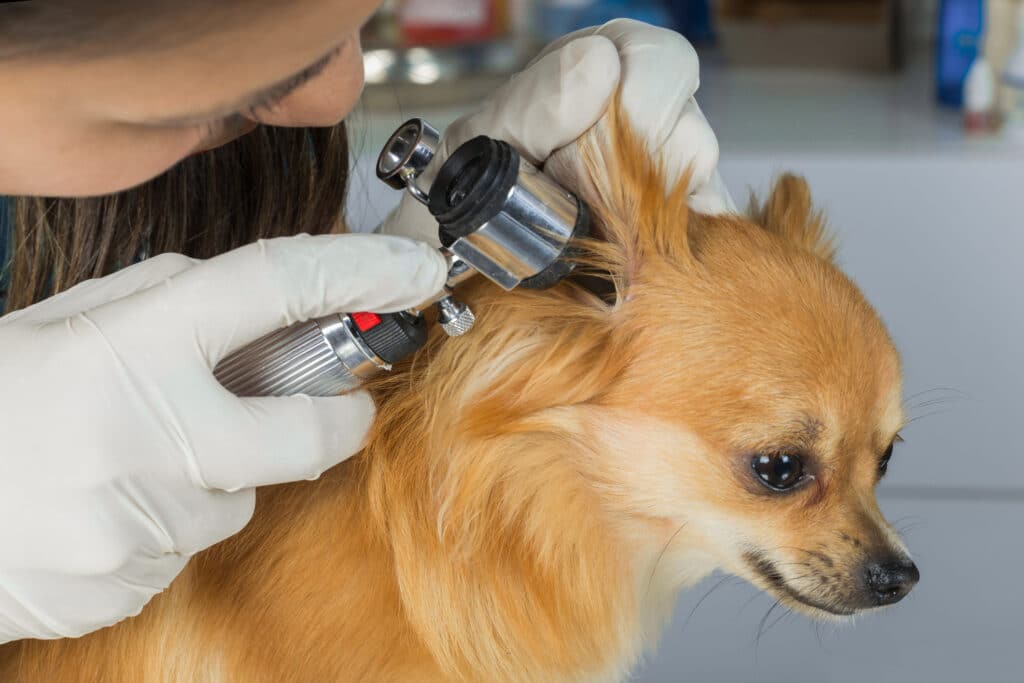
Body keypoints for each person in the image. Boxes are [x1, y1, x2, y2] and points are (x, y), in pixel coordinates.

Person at [0, 1, 733, 644]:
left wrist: (416, 330)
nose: (339, 94)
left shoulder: (201, 167)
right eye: (270, 77)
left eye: (359, 19)